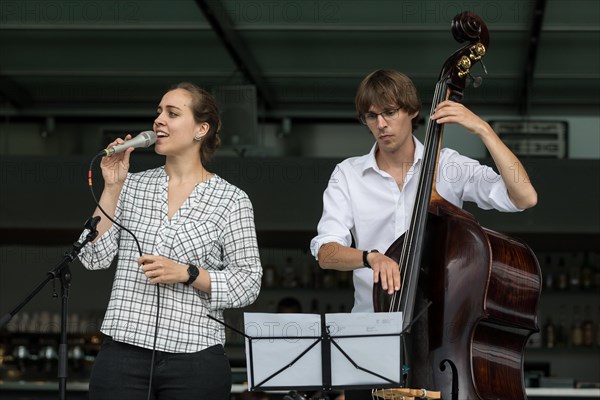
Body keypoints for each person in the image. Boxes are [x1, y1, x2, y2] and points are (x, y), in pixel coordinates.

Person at [309, 70, 537, 400]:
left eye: (389, 112)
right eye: (372, 116)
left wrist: (484, 130)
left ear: (413, 110)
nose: (381, 125)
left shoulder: (448, 167)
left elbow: (524, 196)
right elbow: (325, 251)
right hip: (368, 341)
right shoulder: (348, 175)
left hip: (441, 342)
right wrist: (369, 257)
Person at [78, 82, 262, 399]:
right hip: (124, 350)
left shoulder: (231, 200)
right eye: (159, 112)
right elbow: (93, 258)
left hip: (196, 357)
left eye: (172, 113)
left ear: (200, 129)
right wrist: (112, 187)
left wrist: (187, 273)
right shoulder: (130, 185)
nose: (159, 120)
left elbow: (248, 282)